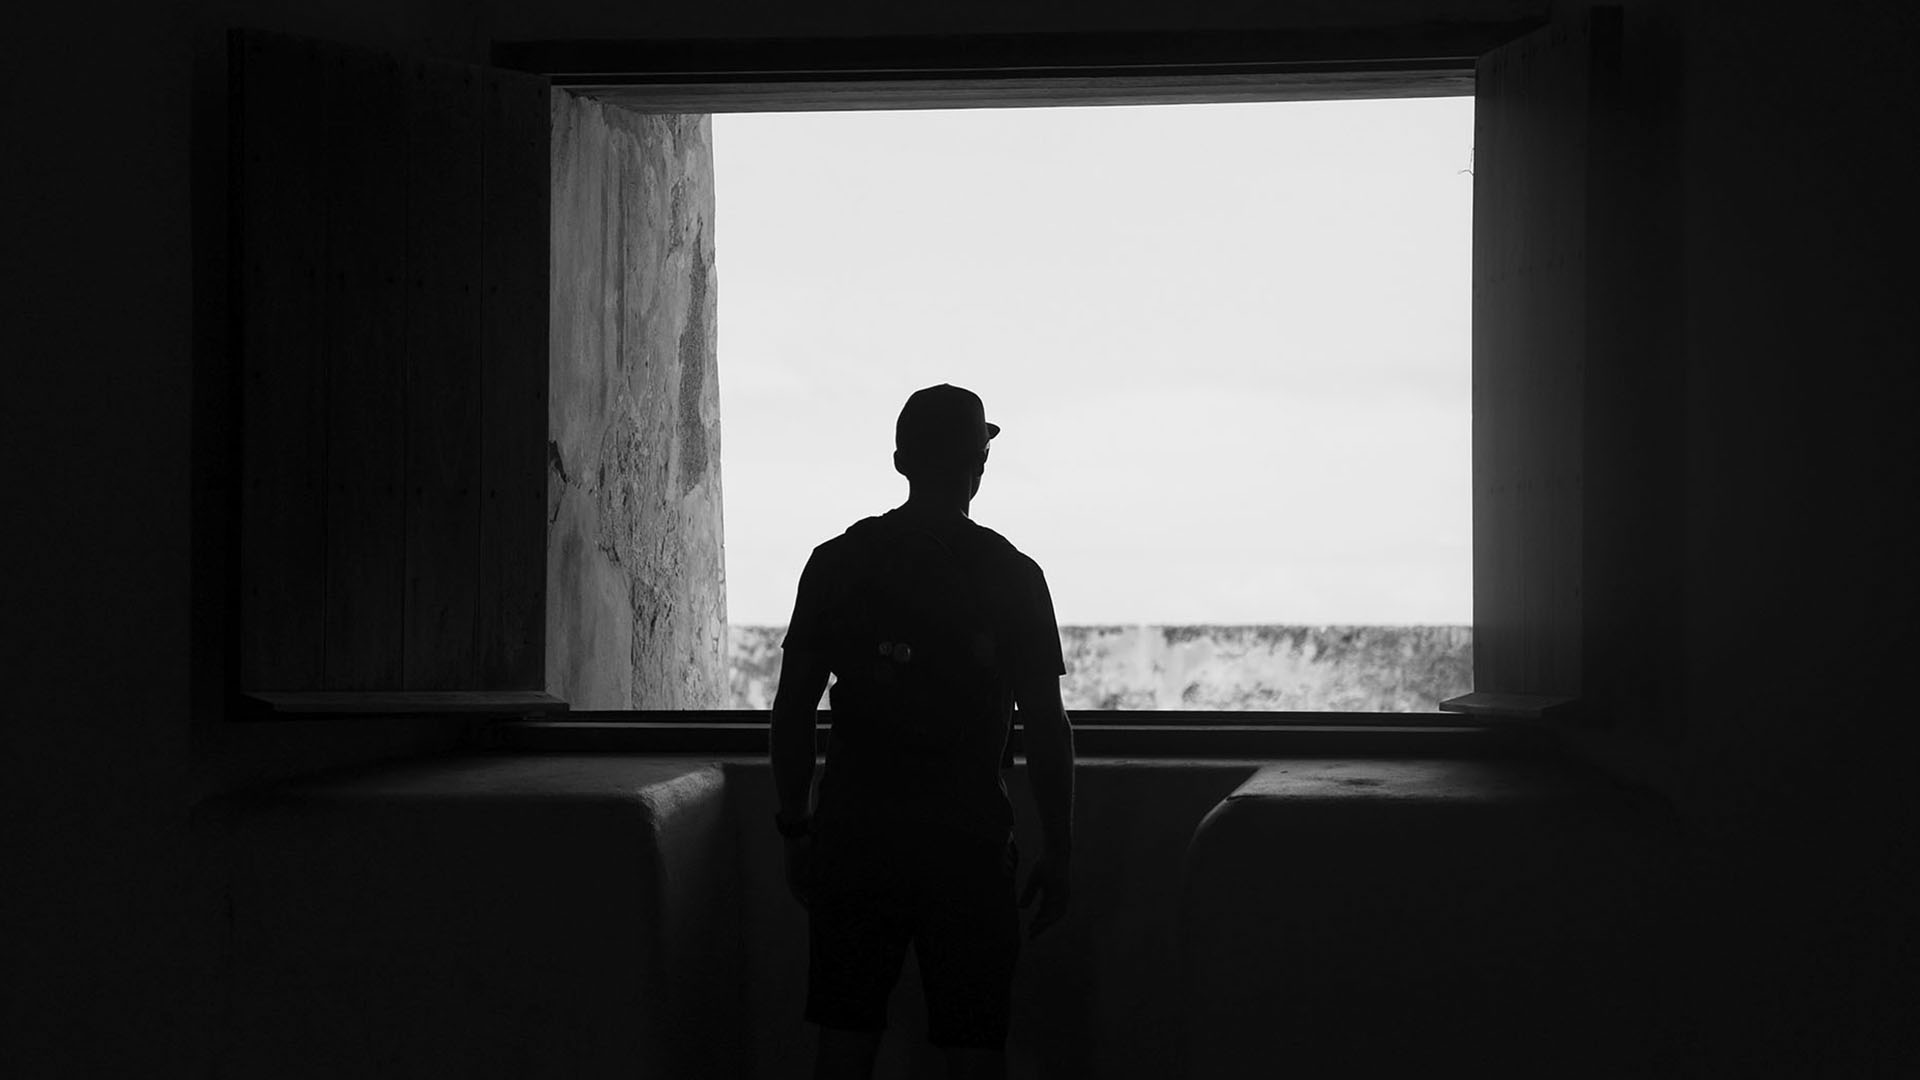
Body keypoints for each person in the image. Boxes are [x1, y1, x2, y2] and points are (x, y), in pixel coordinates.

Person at [768, 384, 1077, 1080]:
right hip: (966, 841)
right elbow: (1047, 727)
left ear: (901, 461)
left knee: (844, 1044)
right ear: (980, 464)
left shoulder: (838, 562)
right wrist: (1059, 847)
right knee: (974, 1046)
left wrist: (796, 827)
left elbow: (792, 713)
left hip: (855, 835)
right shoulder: (1011, 574)